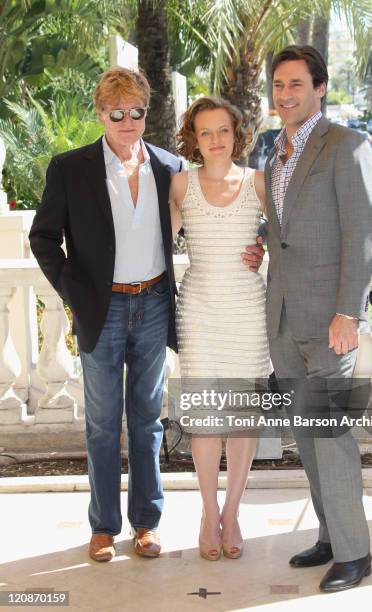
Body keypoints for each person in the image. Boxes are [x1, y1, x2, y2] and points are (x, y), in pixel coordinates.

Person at [29, 68, 263, 563]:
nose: (128, 121)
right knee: (100, 422)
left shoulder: (168, 167)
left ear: (145, 112)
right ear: (101, 114)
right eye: (117, 113)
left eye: (137, 111)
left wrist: (256, 247)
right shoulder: (71, 168)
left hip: (155, 303)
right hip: (103, 308)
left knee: (147, 420)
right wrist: (76, 291)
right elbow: (43, 239)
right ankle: (102, 527)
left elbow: (209, 216)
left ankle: (146, 524)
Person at [265, 45, 372, 592]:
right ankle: (332, 535)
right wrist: (258, 246)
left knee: (331, 436)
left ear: (320, 88)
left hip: (331, 321)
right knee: (308, 439)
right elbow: (287, 228)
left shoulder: (347, 145)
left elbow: (361, 236)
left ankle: (356, 554)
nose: (284, 95)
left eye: (294, 84)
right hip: (285, 318)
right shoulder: (275, 154)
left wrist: (347, 312)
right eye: (278, 85)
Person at [169, 97, 270, 561]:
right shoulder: (179, 185)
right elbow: (157, 242)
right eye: (205, 132)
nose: (215, 140)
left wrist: (266, 248)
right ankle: (208, 514)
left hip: (248, 311)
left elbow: (286, 233)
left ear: (236, 133)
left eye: (223, 130)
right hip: (200, 311)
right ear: (193, 138)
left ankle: (233, 511)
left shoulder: (258, 182)